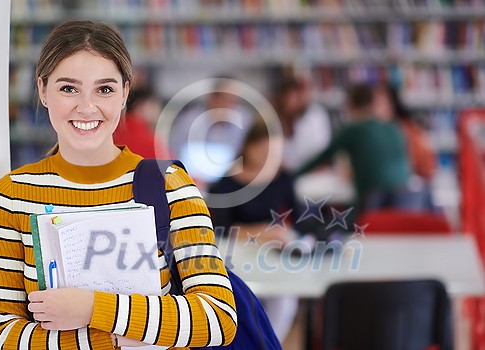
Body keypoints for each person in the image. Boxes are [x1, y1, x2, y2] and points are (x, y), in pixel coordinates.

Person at [0, 21, 236, 349]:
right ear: (43, 90)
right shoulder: (10, 197)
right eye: (68, 88)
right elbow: (0, 336)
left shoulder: (171, 186)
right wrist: (118, 335)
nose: (87, 107)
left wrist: (92, 308)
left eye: (104, 89)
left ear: (124, 94)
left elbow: (217, 318)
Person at [209, 117, 299, 343]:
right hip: (239, 257)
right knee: (246, 301)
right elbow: (221, 228)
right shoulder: (227, 182)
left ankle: (266, 344)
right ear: (248, 147)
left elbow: (300, 219)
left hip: (275, 255)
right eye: (264, 150)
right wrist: (262, 232)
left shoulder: (283, 178)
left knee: (286, 299)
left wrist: (287, 235)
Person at [296, 82, 414, 217]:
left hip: (371, 205)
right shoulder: (394, 128)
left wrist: (291, 176)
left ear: (350, 105)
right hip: (405, 204)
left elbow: (321, 157)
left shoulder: (353, 130)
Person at [168, 76, 254, 186]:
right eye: (224, 100)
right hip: (191, 181)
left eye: (233, 101)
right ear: (212, 98)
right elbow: (172, 152)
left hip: (233, 182)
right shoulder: (189, 120)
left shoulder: (246, 121)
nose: (228, 106)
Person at [372, 82, 437, 211]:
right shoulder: (376, 130)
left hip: (408, 192)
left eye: (378, 104)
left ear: (392, 105)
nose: (373, 109)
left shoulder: (406, 130)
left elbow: (425, 167)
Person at [113, 85, 172, 158]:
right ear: (141, 106)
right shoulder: (149, 140)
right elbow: (171, 166)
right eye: (153, 104)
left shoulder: (112, 130)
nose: (158, 110)